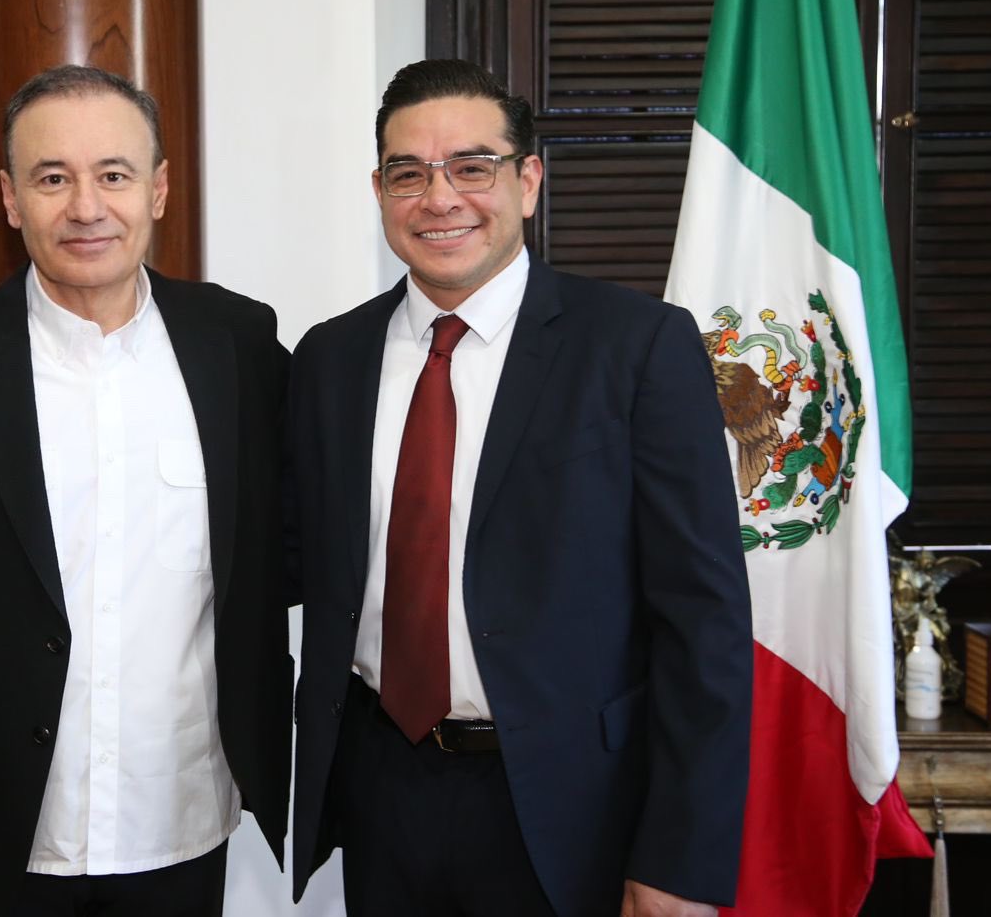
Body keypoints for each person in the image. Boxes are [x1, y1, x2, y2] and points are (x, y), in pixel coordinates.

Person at [287, 59, 752, 916]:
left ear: (528, 181)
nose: (440, 198)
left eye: (472, 167)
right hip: (382, 790)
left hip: (571, 807)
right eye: (408, 173)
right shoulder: (329, 358)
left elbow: (705, 623)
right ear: (381, 192)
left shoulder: (638, 348)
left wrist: (680, 857)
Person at [0, 65, 291, 917]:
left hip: (182, 817)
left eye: (114, 175)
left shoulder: (236, 343)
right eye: (53, 178)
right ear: (10, 198)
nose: (86, 207)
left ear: (158, 190)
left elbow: (287, 543)